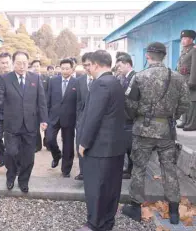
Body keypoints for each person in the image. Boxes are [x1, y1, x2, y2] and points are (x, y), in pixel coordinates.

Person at [122, 42, 190, 225]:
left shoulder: (139, 77)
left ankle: (136, 207)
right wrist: (172, 116)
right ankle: (174, 211)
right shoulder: (176, 77)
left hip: (142, 130)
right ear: (165, 56)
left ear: (147, 56)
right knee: (169, 170)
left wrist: (136, 117)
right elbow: (185, 103)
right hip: (167, 131)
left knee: (139, 169)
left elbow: (129, 104)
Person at [76, 50, 125, 231]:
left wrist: (83, 143)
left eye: (90, 66)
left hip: (99, 148)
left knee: (96, 187)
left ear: (96, 65)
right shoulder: (115, 82)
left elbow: (93, 117)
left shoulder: (100, 84)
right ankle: (107, 222)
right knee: (111, 188)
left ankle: (94, 224)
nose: (89, 70)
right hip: (115, 147)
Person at [0, 51, 48, 193]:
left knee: (29, 157)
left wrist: (44, 119)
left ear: (28, 63)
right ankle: (10, 177)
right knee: (11, 152)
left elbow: (41, 101)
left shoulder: (36, 78)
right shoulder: (5, 79)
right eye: (18, 63)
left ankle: (23, 181)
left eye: (24, 63)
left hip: (30, 124)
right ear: (13, 63)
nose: (22, 66)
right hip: (12, 124)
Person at [46, 58, 78, 178]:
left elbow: (78, 102)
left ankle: (66, 169)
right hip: (53, 117)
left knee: (68, 145)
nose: (65, 71)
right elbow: (48, 99)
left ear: (72, 69)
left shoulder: (77, 82)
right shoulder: (53, 81)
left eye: (67, 68)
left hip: (69, 118)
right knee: (49, 139)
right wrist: (46, 116)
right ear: (60, 69)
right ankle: (56, 155)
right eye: (63, 68)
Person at [115, 54, 136, 179]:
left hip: (131, 117)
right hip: (124, 117)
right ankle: (128, 169)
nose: (118, 69)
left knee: (131, 146)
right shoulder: (123, 77)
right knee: (127, 145)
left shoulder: (135, 77)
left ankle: (131, 169)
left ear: (128, 64)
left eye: (120, 66)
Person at [74, 52, 93, 181]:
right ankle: (82, 172)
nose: (87, 68)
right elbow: (78, 102)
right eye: (84, 65)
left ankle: (92, 172)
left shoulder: (101, 80)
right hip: (82, 119)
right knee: (80, 144)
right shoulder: (80, 80)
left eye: (89, 65)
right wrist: (78, 119)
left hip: (96, 120)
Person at [0, 52, 12, 168]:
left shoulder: (16, 77)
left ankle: (12, 163)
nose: (4, 65)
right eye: (2, 63)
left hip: (12, 114)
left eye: (6, 63)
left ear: (11, 63)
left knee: (11, 141)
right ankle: (2, 158)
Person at [176, 29, 196, 131]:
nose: (183, 40)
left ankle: (191, 124)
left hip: (190, 81)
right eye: (182, 38)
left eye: (185, 38)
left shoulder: (194, 50)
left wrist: (192, 82)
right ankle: (184, 121)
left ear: (191, 39)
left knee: (192, 102)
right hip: (183, 81)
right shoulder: (184, 51)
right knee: (184, 101)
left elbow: (194, 67)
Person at [31, 59, 48, 152]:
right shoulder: (31, 78)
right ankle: (37, 145)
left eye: (38, 66)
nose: (36, 68)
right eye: (34, 66)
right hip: (34, 106)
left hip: (44, 105)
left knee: (45, 124)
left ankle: (47, 142)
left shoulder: (46, 78)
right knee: (35, 127)